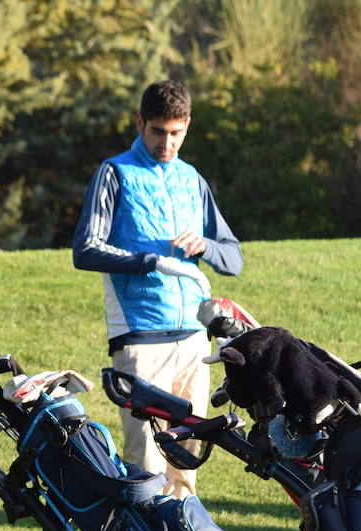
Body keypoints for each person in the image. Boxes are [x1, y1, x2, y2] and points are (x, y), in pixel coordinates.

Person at [71, 79, 243, 498]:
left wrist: (205, 246)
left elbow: (233, 258)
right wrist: (148, 261)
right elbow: (85, 250)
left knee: (187, 463)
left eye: (177, 133)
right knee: (145, 466)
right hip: (141, 340)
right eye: (158, 132)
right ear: (139, 123)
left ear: (187, 127)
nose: (167, 142)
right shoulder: (114, 173)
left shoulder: (192, 179)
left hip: (194, 343)